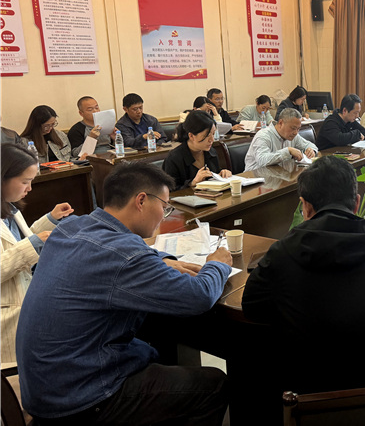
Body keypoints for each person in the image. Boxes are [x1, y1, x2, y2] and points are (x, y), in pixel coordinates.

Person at [16, 162, 232, 425]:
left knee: (153, 348)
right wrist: (218, 264)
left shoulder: (70, 227)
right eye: (165, 207)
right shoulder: (124, 255)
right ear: (141, 201)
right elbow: (199, 295)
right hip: (80, 399)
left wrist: (159, 259)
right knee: (214, 385)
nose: (164, 216)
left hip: (45, 389)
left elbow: (118, 256)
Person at [242, 155, 365, 394]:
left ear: (305, 207)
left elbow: (252, 307)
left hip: (312, 402)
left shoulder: (282, 253)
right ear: (356, 202)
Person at [1, 143, 73, 368]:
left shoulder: (9, 207)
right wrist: (33, 244)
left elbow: (17, 243)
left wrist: (50, 219)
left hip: (28, 301)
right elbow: (15, 253)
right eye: (25, 181)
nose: (30, 188)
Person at [162, 111, 232, 190]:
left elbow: (215, 175)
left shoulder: (211, 152)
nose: (212, 140)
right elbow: (170, 190)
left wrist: (222, 173)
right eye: (207, 135)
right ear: (191, 136)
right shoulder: (174, 158)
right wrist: (192, 183)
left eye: (213, 134)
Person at [244, 108, 317, 172]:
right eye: (293, 128)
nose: (296, 132)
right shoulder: (263, 136)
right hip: (255, 177)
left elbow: (309, 145)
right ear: (281, 123)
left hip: (279, 174)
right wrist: (287, 151)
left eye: (298, 129)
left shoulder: (293, 136)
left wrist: (311, 150)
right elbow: (262, 161)